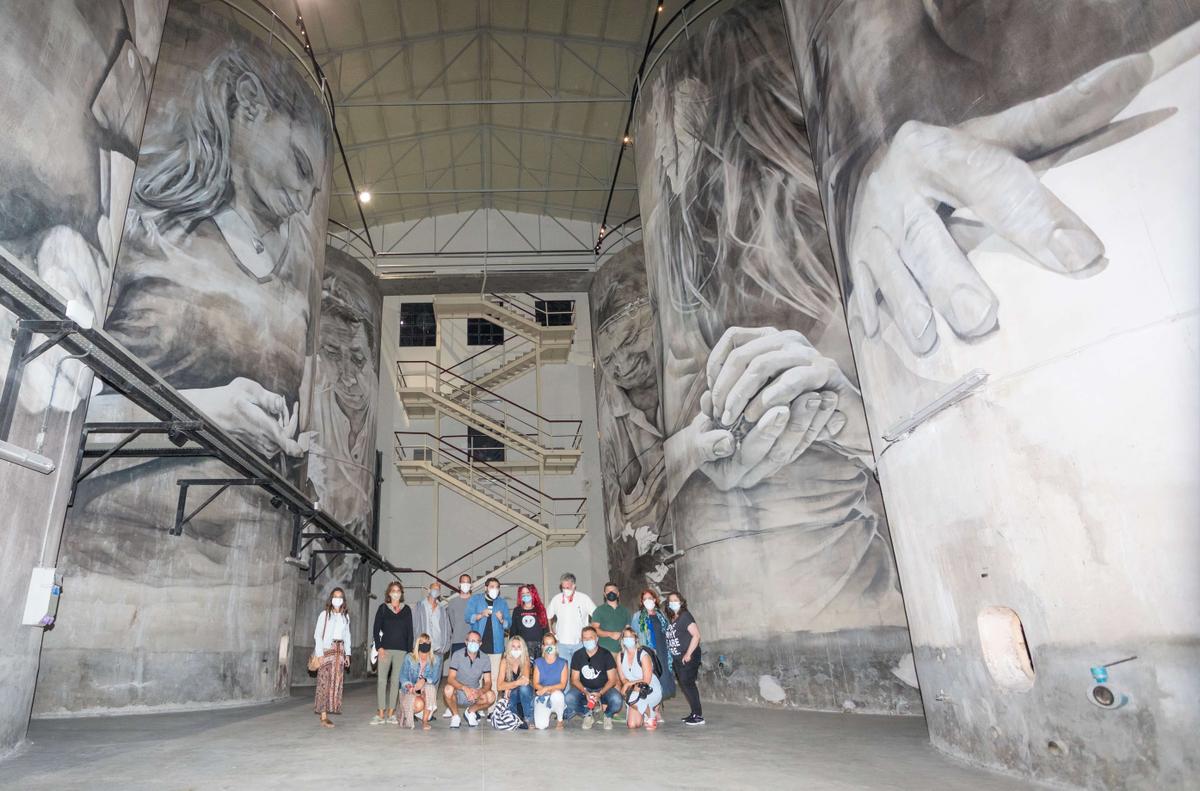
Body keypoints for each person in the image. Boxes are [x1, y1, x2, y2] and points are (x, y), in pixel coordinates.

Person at [371, 581, 413, 725]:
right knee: (382, 680)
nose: (396, 593)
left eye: (398, 590)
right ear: (389, 593)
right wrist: (379, 647)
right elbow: (376, 629)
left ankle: (391, 713)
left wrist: (409, 651)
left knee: (396, 681)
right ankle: (380, 713)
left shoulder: (406, 609)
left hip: (402, 651)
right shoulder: (383, 608)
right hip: (385, 650)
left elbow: (410, 632)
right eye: (393, 590)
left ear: (401, 593)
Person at [565, 626, 622, 730]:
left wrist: (600, 693)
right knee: (569, 698)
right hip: (585, 689)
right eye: (585, 638)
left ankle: (607, 715)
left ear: (596, 639)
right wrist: (586, 692)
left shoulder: (606, 654)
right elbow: (574, 679)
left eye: (590, 638)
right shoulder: (577, 655)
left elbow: (612, 680)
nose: (588, 640)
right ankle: (587, 714)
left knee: (617, 700)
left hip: (604, 689)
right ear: (582, 640)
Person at [465, 577, 510, 696]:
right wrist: (480, 615)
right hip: (478, 646)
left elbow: (508, 624)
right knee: (476, 677)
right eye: (492, 587)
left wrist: (502, 620)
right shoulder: (475, 600)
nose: (494, 589)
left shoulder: (502, 603)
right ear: (486, 588)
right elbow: (468, 617)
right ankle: (476, 703)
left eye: (497, 587)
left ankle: (493, 705)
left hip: (496, 646)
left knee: (494, 677)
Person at [313, 587, 352, 729]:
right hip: (327, 650)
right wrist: (319, 654)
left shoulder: (345, 617)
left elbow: (347, 636)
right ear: (331, 598)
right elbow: (318, 635)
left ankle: (329, 709)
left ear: (343, 600)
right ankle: (323, 716)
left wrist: (348, 654)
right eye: (335, 596)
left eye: (340, 597)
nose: (337, 599)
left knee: (336, 683)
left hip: (339, 651)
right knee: (324, 682)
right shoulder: (324, 615)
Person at [442, 631, 496, 728]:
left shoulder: (485, 658)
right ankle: (455, 716)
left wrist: (480, 692)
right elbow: (450, 678)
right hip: (458, 691)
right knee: (448, 689)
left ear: (480, 643)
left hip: (475, 693)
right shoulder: (457, 655)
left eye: (476, 641)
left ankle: (470, 712)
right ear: (466, 642)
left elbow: (488, 682)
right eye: (471, 641)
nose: (473, 643)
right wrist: (464, 688)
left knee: (491, 696)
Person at [665, 592, 704, 725]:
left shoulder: (685, 616)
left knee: (688, 684)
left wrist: (688, 654)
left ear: (681, 602)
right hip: (678, 658)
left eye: (676, 600)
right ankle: (694, 713)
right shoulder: (674, 618)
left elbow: (696, 635)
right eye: (670, 601)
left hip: (688, 657)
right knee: (686, 685)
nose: (673, 603)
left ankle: (698, 716)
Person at [630, 589, 675, 701]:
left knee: (663, 676)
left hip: (663, 649)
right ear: (642, 602)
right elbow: (634, 636)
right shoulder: (637, 616)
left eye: (649, 598)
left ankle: (659, 703)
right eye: (644, 599)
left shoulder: (661, 615)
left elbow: (667, 631)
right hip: (648, 651)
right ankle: (654, 707)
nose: (647, 601)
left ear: (655, 599)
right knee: (652, 678)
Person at [617, 627, 663, 730]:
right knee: (632, 725)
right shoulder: (620, 656)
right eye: (626, 637)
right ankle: (646, 712)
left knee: (631, 697)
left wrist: (628, 684)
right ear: (622, 640)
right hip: (633, 690)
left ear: (636, 639)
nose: (628, 639)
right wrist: (629, 685)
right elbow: (623, 678)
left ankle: (651, 715)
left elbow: (646, 680)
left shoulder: (643, 655)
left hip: (649, 688)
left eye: (631, 637)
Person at [441, 573, 473, 718]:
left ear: (471, 585)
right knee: (455, 674)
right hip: (457, 640)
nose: (465, 584)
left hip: (473, 642)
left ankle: (474, 703)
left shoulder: (475, 601)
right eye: (463, 582)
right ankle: (451, 704)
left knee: (472, 673)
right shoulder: (453, 603)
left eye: (467, 582)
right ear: (459, 585)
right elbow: (452, 622)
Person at [546, 572, 595, 663]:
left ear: (574, 586)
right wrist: (551, 631)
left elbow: (596, 615)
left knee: (581, 668)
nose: (565, 590)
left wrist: (589, 633)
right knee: (565, 669)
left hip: (579, 643)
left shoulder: (584, 598)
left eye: (567, 587)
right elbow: (549, 615)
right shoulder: (556, 599)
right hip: (562, 643)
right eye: (563, 587)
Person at [398, 634, 441, 730]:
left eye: (427, 642)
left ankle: (425, 721)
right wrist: (409, 687)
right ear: (418, 644)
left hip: (424, 689)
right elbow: (402, 676)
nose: (425, 644)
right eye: (422, 642)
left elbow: (434, 678)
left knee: (430, 688)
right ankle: (404, 712)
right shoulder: (409, 657)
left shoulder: (436, 659)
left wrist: (424, 680)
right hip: (410, 690)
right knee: (419, 705)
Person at [495, 636, 534, 729]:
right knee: (511, 696)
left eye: (519, 647)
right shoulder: (504, 661)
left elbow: (525, 681)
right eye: (513, 646)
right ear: (509, 648)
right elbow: (499, 686)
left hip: (524, 696)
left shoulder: (526, 659)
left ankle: (528, 719)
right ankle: (517, 720)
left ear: (523, 648)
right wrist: (512, 686)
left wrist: (508, 686)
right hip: (512, 696)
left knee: (524, 688)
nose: (516, 649)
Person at [532, 634, 569, 730]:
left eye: (552, 643)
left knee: (558, 695)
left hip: (556, 695)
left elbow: (562, 685)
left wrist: (546, 689)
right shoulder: (538, 662)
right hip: (543, 697)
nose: (549, 646)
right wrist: (546, 691)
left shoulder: (563, 663)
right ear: (543, 647)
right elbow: (535, 684)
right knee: (540, 726)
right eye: (547, 644)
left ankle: (560, 720)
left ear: (555, 645)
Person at [413, 581, 451, 662]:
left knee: (437, 671)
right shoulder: (419, 606)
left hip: (438, 650)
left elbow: (448, 630)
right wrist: (415, 646)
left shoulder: (442, 610)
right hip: (422, 649)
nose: (436, 591)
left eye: (438, 589)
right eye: (434, 589)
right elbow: (413, 626)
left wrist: (445, 647)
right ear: (429, 590)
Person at [591, 582, 631, 656]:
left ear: (618, 594)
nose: (611, 593)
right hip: (604, 651)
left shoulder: (625, 611)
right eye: (608, 591)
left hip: (623, 651)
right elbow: (594, 629)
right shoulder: (599, 610)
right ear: (604, 594)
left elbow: (628, 630)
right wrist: (610, 634)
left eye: (613, 591)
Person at [510, 584, 548, 653]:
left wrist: (546, 644)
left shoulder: (540, 609)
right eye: (523, 593)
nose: (525, 595)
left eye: (528, 593)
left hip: (538, 646)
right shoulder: (517, 610)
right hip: (522, 646)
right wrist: (511, 645)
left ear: (533, 593)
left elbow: (545, 628)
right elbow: (513, 630)